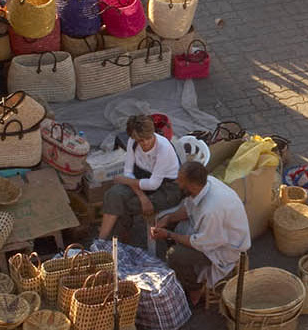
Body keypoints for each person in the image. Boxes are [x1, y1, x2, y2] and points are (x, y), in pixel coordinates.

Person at [149, 161, 251, 305]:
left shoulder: (211, 210)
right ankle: (182, 273)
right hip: (210, 235)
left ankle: (194, 288)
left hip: (223, 249)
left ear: (191, 186)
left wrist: (169, 235)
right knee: (167, 221)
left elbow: (201, 243)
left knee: (174, 255)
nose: (177, 183)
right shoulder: (206, 182)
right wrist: (168, 218)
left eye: (180, 181)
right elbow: (189, 207)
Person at [98, 115, 182, 244]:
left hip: (167, 188)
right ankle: (101, 241)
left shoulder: (163, 148)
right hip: (142, 181)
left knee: (126, 204)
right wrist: (142, 196)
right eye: (141, 140)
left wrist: (125, 180)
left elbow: (153, 184)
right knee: (113, 194)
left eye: (148, 138)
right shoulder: (133, 142)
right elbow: (128, 171)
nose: (145, 143)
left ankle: (118, 239)